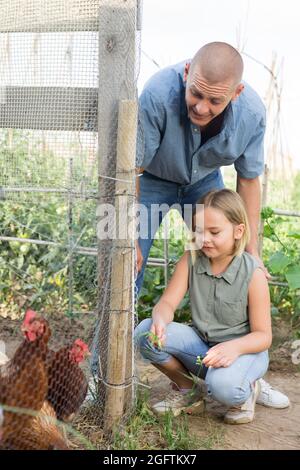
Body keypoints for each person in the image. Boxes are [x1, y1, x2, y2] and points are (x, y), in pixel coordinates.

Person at [135, 42, 289, 414]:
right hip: (151, 179)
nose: (202, 107)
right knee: (126, 266)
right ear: (187, 73)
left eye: (215, 101)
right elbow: (131, 170)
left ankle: (245, 374)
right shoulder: (157, 93)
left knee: (233, 260)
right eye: (196, 94)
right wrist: (128, 238)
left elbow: (248, 180)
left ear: (235, 94)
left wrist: (252, 250)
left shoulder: (251, 113)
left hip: (204, 183)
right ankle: (102, 376)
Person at [135, 189, 289, 424]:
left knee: (224, 387)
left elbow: (263, 336)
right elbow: (167, 303)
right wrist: (160, 319)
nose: (204, 239)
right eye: (198, 231)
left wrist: (234, 348)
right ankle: (189, 391)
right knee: (145, 333)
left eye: (214, 232)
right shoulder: (191, 259)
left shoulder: (253, 273)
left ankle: (246, 390)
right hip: (204, 348)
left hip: (245, 351)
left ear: (239, 231)